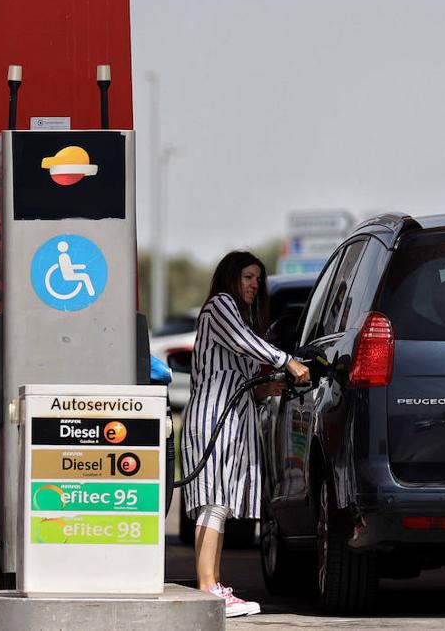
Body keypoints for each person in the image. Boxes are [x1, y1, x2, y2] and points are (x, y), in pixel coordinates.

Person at [180, 251, 309, 617]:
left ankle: (214, 586)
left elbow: (236, 372)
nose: (254, 285)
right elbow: (243, 342)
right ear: (230, 277)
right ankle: (209, 587)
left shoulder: (234, 313)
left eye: (258, 279)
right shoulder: (220, 306)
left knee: (218, 504)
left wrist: (261, 390)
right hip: (213, 419)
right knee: (213, 503)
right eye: (248, 277)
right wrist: (288, 360)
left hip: (231, 418)